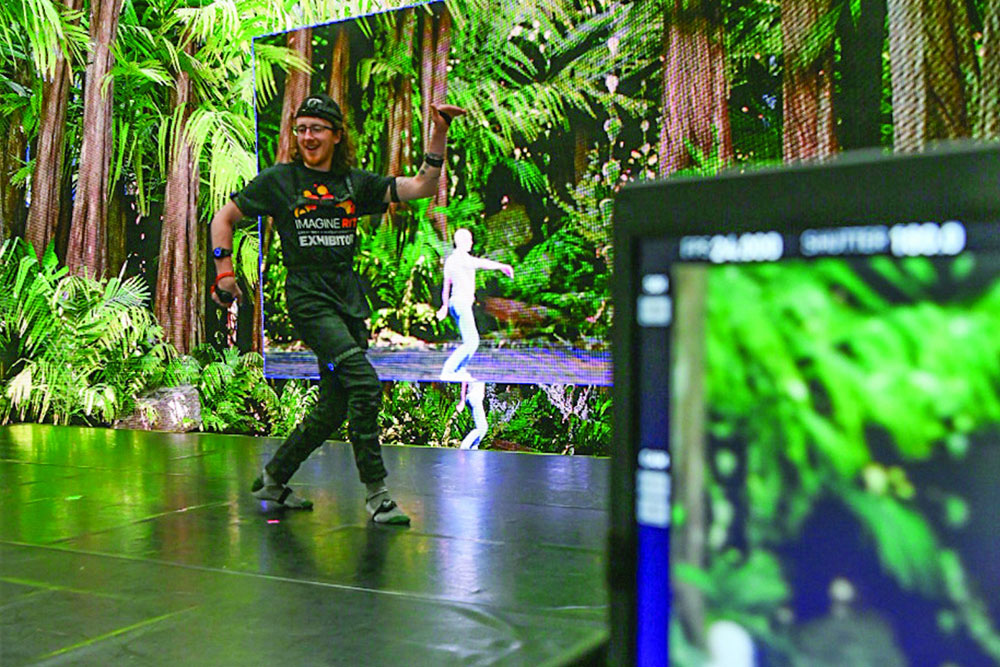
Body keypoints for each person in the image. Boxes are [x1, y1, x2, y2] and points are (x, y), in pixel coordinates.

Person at [208, 93, 466, 524]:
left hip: (347, 299)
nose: (308, 137)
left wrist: (439, 131)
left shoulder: (353, 184)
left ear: (336, 135)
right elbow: (224, 218)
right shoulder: (280, 181)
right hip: (308, 299)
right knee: (364, 384)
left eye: (317, 129)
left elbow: (422, 186)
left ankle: (274, 477)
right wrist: (224, 273)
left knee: (333, 406)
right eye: (301, 129)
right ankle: (378, 496)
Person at [435, 228, 513, 381]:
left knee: (470, 341)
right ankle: (448, 371)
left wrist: (444, 306)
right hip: (462, 304)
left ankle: (460, 370)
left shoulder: (450, 260)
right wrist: (503, 266)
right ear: (462, 242)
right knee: (472, 341)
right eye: (469, 240)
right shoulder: (463, 259)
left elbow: (446, 286)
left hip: (454, 304)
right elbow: (482, 263)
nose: (471, 243)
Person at [455, 380, 487, 450]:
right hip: (475, 398)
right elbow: (464, 382)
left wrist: (463, 400)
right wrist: (462, 401)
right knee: (482, 427)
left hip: (473, 398)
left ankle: (474, 448)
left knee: (482, 428)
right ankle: (464, 447)